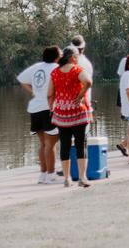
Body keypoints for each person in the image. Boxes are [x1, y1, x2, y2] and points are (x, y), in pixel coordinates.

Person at [47, 46, 93, 188]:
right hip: (78, 112)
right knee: (81, 144)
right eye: (77, 57)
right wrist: (79, 97)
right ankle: (82, 177)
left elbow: (50, 94)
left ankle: (67, 179)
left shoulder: (55, 73)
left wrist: (52, 108)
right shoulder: (77, 70)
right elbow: (88, 82)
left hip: (61, 113)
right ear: (73, 57)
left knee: (65, 146)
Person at [17, 46, 63, 184]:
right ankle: (51, 174)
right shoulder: (57, 68)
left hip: (35, 108)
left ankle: (43, 174)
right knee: (51, 144)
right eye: (60, 54)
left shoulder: (37, 67)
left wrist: (33, 91)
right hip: (48, 108)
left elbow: (21, 79)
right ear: (56, 57)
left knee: (43, 143)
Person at [71, 35, 94, 114]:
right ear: (83, 48)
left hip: (69, 105)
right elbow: (87, 84)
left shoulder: (67, 63)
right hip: (84, 105)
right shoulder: (87, 63)